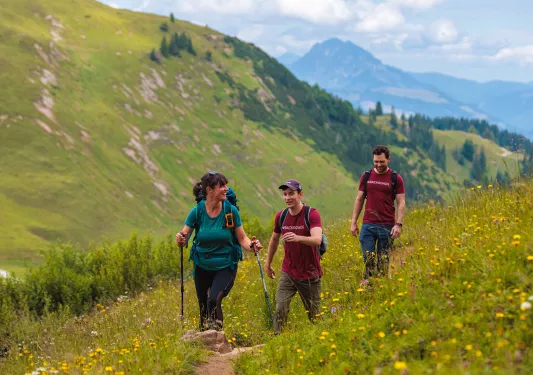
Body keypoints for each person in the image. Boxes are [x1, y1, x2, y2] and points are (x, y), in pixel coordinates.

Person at [176, 171, 262, 331]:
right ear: (209, 190)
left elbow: (242, 238)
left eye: (225, 185)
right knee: (203, 306)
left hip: (225, 265)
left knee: (213, 300)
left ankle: (217, 338)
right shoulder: (197, 212)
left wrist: (252, 246)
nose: (226, 189)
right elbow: (184, 237)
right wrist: (180, 239)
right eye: (221, 186)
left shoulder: (230, 211)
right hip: (202, 265)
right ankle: (203, 345)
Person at [264, 179, 323, 331]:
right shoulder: (281, 216)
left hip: (309, 273)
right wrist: (268, 263)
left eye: (291, 194)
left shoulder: (311, 214)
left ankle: (320, 338)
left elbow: (317, 240)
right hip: (288, 272)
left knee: (315, 316)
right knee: (280, 308)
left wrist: (298, 238)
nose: (287, 198)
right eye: (284, 194)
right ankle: (277, 340)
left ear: (300, 194)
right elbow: (274, 239)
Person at [350, 145, 406, 281]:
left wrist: (398, 224)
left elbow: (401, 202)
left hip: (387, 226)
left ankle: (380, 287)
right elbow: (359, 199)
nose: (379, 164)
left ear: (388, 159)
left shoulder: (395, 178)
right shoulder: (367, 176)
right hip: (368, 225)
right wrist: (353, 222)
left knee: (383, 261)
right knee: (368, 258)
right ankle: (369, 284)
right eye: (376, 161)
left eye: (382, 161)